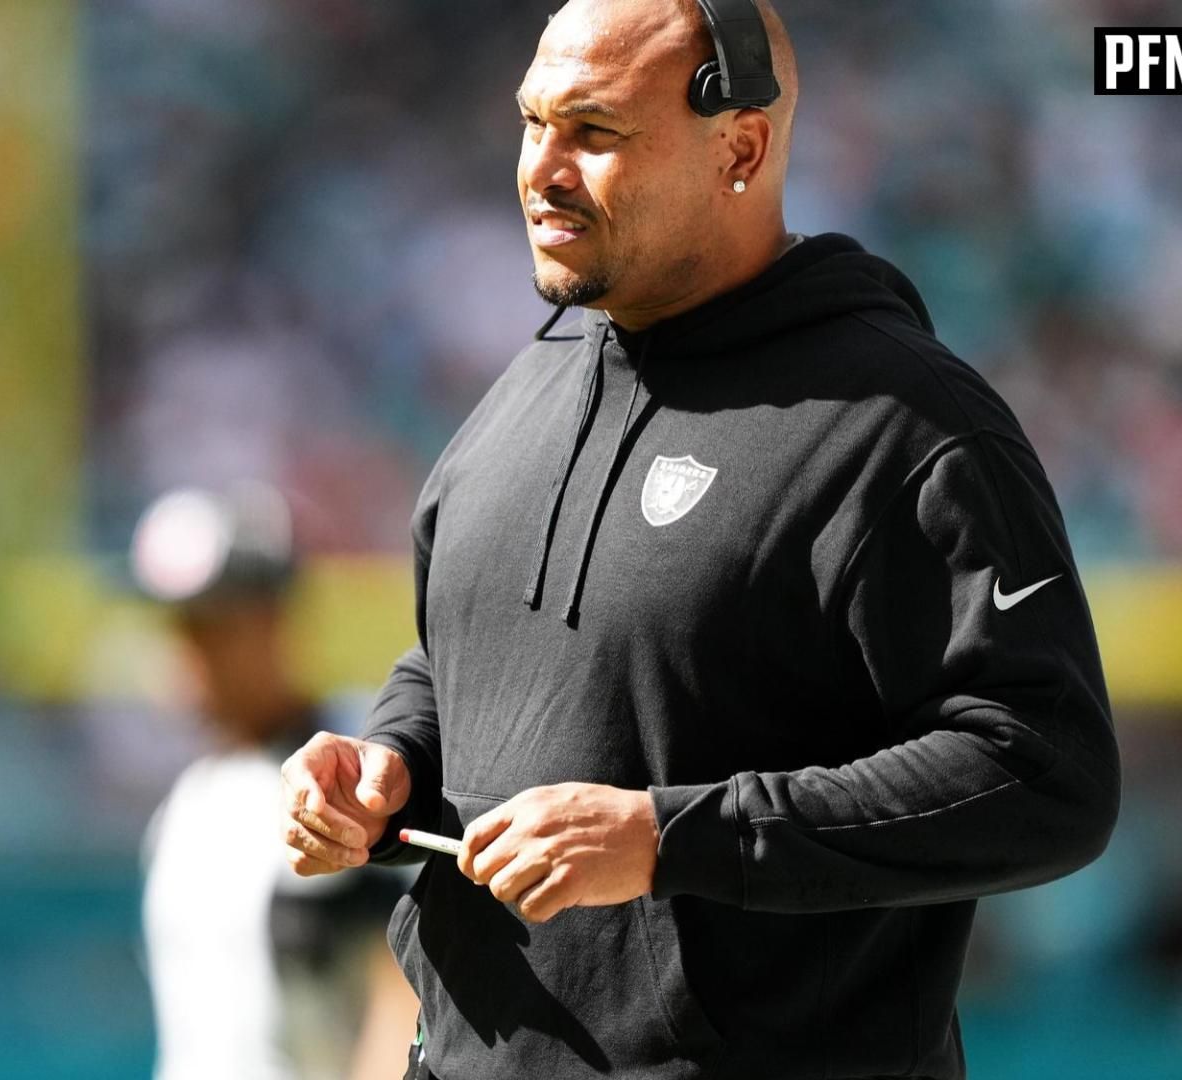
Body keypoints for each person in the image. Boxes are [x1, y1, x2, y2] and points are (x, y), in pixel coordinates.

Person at [279, 1, 1120, 1077]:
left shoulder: (902, 424)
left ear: (741, 147)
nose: (543, 168)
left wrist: (671, 838)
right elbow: (464, 655)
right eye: (533, 124)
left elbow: (1045, 772)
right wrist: (387, 764)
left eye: (594, 132)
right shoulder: (529, 385)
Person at [132, 484, 418, 1080]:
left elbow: (407, 997)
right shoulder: (187, 805)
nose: (190, 650)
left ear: (275, 619)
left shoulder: (359, 781)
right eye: (180, 625)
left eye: (214, 624)